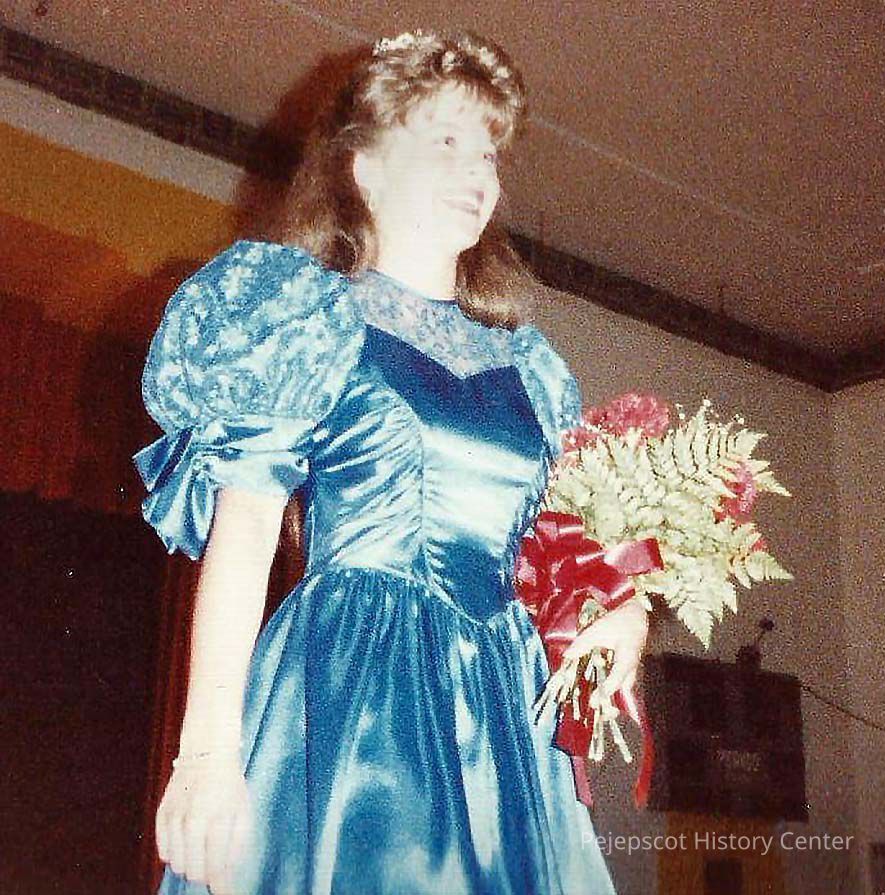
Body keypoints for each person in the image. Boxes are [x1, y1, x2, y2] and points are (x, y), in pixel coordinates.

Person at [134, 30, 648, 895]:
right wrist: (206, 758)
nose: (477, 170)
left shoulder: (531, 367)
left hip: (505, 709)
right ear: (366, 167)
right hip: (359, 689)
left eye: (487, 151)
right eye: (445, 139)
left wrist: (618, 605)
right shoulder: (305, 315)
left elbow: (553, 553)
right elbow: (245, 533)